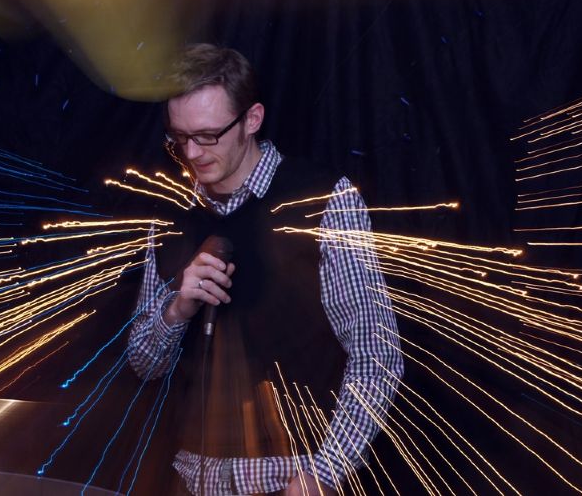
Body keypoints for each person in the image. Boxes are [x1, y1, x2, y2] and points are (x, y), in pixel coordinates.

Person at [128, 43, 403, 496]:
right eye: (179, 137)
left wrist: (326, 471)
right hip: (193, 478)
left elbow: (376, 353)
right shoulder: (170, 217)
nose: (192, 153)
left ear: (252, 119)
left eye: (208, 135)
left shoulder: (323, 199)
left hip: (296, 476)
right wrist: (176, 308)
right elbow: (144, 364)